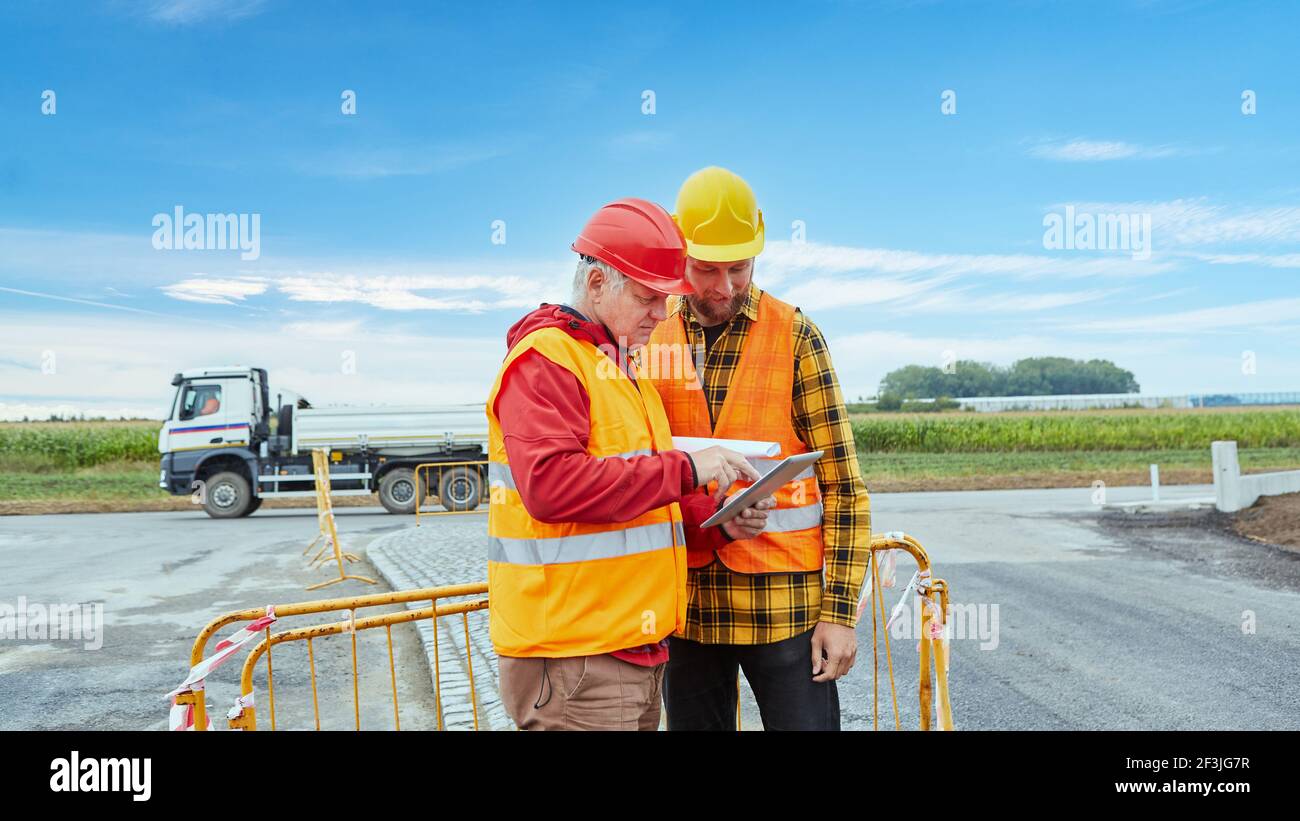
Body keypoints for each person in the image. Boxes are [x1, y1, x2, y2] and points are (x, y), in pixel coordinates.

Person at [486, 197, 774, 730]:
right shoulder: (546, 361)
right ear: (597, 284)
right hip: (577, 658)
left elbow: (640, 507)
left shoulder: (619, 368)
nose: (660, 316)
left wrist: (714, 526)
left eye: (666, 300)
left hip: (628, 652)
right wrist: (688, 469)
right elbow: (552, 488)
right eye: (647, 298)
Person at [646, 168, 871, 730]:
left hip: (785, 612)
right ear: (679, 255)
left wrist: (839, 614)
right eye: (705, 269)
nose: (722, 286)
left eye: (738, 268)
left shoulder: (796, 336)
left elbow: (845, 487)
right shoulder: (649, 338)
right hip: (687, 611)